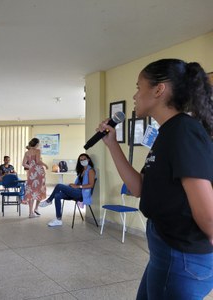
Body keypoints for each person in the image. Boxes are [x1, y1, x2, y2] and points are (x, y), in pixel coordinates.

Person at [98, 59, 213, 299]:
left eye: (139, 87)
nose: (135, 95)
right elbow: (139, 187)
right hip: (165, 248)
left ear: (159, 89)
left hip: (182, 255)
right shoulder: (167, 132)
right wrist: (112, 145)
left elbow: (208, 213)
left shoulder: (183, 130)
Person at [39, 153, 96, 227]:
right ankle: (58, 220)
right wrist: (73, 185)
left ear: (88, 159)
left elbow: (91, 185)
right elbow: (78, 183)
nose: (83, 161)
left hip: (81, 194)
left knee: (59, 185)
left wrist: (78, 186)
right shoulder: (82, 170)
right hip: (76, 191)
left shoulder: (90, 170)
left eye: (84, 159)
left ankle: (49, 201)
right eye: (81, 160)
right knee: (57, 195)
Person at [22, 138, 48, 218]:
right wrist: (45, 165)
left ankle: (30, 213)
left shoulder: (27, 152)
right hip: (38, 172)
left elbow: (23, 164)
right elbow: (38, 161)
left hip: (31, 173)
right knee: (40, 189)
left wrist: (30, 167)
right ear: (37, 144)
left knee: (31, 191)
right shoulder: (38, 151)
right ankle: (36, 208)